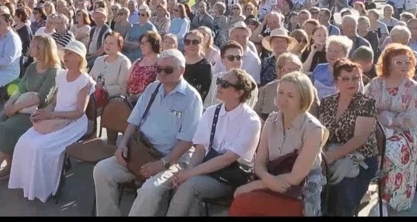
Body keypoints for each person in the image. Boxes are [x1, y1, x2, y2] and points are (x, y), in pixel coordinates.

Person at [92, 49, 203, 216]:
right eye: (159, 69)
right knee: (101, 170)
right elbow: (133, 122)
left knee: (149, 190)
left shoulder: (191, 98)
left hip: (172, 160)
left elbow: (186, 142)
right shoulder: (152, 88)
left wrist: (162, 163)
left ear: (182, 70)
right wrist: (122, 145)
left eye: (168, 70)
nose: (162, 73)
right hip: (141, 152)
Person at [0, 35, 61, 199]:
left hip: (36, 114)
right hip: (20, 108)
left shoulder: (53, 71)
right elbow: (20, 87)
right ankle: (9, 165)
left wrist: (15, 107)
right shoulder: (32, 66)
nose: (30, 48)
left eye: (34, 46)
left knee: (6, 129)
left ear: (43, 49)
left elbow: (42, 97)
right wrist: (10, 104)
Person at [230, 72, 328, 216]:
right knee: (242, 201)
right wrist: (268, 180)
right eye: (280, 92)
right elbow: (259, 163)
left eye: (290, 95)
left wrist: (257, 185)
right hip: (271, 182)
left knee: (244, 203)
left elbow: (296, 177)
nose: (283, 99)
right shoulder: (271, 120)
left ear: (303, 99)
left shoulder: (313, 129)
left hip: (297, 192)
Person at [8, 40, 94, 202]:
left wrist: (52, 115)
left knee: (40, 147)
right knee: (24, 141)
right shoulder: (61, 76)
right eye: (66, 53)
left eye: (70, 54)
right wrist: (45, 111)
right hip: (55, 118)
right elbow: (55, 102)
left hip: (73, 123)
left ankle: (45, 188)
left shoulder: (84, 81)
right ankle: (27, 184)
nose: (66, 56)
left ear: (78, 58)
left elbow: (79, 112)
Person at [167, 69, 262, 216]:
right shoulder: (211, 112)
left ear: (239, 92)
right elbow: (200, 150)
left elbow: (228, 159)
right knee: (183, 183)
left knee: (190, 185)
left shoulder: (251, 120)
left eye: (224, 84)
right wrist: (187, 173)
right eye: (219, 82)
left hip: (230, 178)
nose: (218, 87)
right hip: (207, 172)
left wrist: (189, 174)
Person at [366, 43, 417, 215]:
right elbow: (365, 106)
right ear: (388, 63)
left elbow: (415, 115)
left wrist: (393, 121)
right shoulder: (375, 84)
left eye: (407, 62)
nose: (404, 66)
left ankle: (385, 199)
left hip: (404, 132)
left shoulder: (413, 88)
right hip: (375, 127)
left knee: (391, 150)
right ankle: (362, 188)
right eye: (398, 62)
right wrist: (379, 118)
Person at [318, 59, 379, 216]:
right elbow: (321, 133)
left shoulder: (366, 103)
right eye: (345, 78)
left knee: (344, 193)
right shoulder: (327, 102)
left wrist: (329, 158)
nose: (351, 82)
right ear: (336, 81)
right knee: (314, 187)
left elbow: (359, 139)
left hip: (361, 159)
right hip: (330, 154)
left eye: (355, 78)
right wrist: (321, 156)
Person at [254, 53, 303, 121]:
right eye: (289, 69)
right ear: (280, 71)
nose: (294, 73)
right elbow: (256, 113)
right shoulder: (268, 89)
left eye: (297, 69)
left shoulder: (308, 91)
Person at [311, 35, 353, 100]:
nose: (332, 54)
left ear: (345, 54)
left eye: (336, 52)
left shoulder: (350, 73)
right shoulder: (319, 68)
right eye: (329, 50)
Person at [183, 30, 213, 101]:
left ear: (201, 44)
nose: (191, 45)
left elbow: (204, 91)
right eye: (187, 42)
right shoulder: (178, 62)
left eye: (195, 42)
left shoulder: (206, 67)